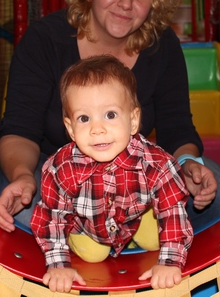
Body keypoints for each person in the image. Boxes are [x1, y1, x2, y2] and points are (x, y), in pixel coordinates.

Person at [0, 0, 220, 235]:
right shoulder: (46, 39)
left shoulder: (161, 45)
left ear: (154, 1)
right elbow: (19, 130)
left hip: (134, 176)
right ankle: (95, 231)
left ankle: (123, 227)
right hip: (56, 174)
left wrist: (187, 163)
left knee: (219, 192)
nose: (126, 3)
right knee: (22, 210)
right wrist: (23, 176)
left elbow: (177, 128)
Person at [30, 55, 193, 292]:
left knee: (157, 240)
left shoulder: (155, 164)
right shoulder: (61, 168)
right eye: (84, 118)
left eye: (110, 115)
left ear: (133, 120)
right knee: (94, 255)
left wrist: (170, 263)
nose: (97, 129)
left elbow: (173, 210)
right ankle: (85, 239)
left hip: (135, 217)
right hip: (90, 227)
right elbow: (52, 217)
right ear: (70, 129)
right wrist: (58, 265)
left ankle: (141, 226)